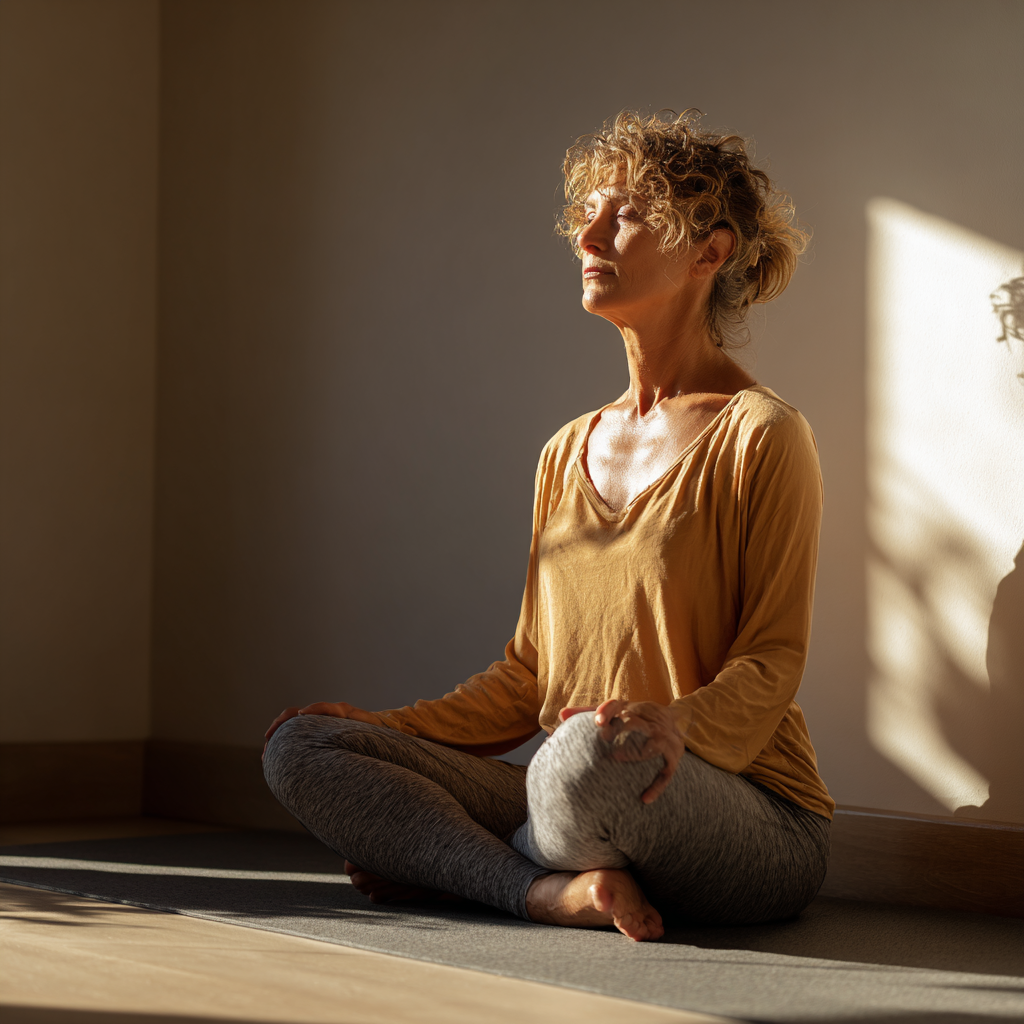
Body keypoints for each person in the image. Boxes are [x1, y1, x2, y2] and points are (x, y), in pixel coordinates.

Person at [263, 110, 833, 942]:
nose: (589, 234)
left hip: (742, 812)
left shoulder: (763, 435)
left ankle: (468, 869)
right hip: (576, 794)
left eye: (627, 213)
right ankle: (546, 890)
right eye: (587, 214)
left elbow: (773, 659)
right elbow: (529, 678)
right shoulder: (567, 450)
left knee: (579, 757)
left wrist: (677, 721)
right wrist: (378, 728)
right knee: (304, 749)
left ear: (707, 253)